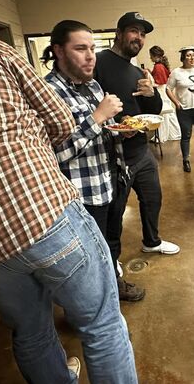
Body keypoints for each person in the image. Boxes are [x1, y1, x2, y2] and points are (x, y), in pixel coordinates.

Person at [0, 0, 149, 384]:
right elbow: (61, 125)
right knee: (101, 323)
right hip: (36, 210)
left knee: (29, 328)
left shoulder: (93, 84)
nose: (89, 56)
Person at [42, 19, 145, 302]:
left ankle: (112, 284)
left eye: (92, 48)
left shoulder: (93, 86)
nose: (90, 56)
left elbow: (105, 130)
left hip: (110, 181)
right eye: (80, 49)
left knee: (111, 241)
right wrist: (98, 117)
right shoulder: (49, 93)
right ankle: (94, 304)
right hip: (82, 194)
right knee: (88, 255)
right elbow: (55, 153)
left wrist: (122, 129)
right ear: (59, 51)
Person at [94, 12, 180, 257]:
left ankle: (151, 241)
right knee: (115, 212)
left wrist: (151, 93)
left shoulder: (136, 71)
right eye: (134, 31)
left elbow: (153, 110)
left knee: (153, 199)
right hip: (113, 157)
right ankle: (112, 260)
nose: (139, 38)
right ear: (119, 33)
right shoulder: (98, 62)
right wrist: (117, 125)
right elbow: (89, 105)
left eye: (142, 34)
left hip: (141, 151)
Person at [166, 46, 194, 173]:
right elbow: (168, 89)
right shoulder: (176, 72)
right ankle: (185, 160)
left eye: (193, 55)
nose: (191, 58)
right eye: (188, 55)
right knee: (186, 136)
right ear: (183, 58)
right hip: (184, 110)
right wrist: (176, 102)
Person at [149, 45, 181, 143]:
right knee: (168, 115)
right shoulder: (161, 65)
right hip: (164, 91)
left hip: (161, 92)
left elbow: (159, 82)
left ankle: (162, 136)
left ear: (155, 56)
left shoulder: (158, 66)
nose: (150, 58)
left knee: (162, 114)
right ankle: (174, 133)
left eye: (151, 56)